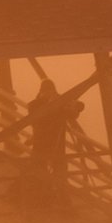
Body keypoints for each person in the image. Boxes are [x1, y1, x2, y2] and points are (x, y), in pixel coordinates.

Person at [25, 76, 82, 210]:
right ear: (41, 92)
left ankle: (64, 204)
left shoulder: (58, 105)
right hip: (41, 145)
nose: (47, 94)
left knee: (60, 174)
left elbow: (73, 114)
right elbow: (37, 119)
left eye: (50, 91)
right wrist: (55, 105)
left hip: (56, 146)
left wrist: (74, 106)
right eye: (45, 91)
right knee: (40, 173)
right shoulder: (34, 105)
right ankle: (41, 201)